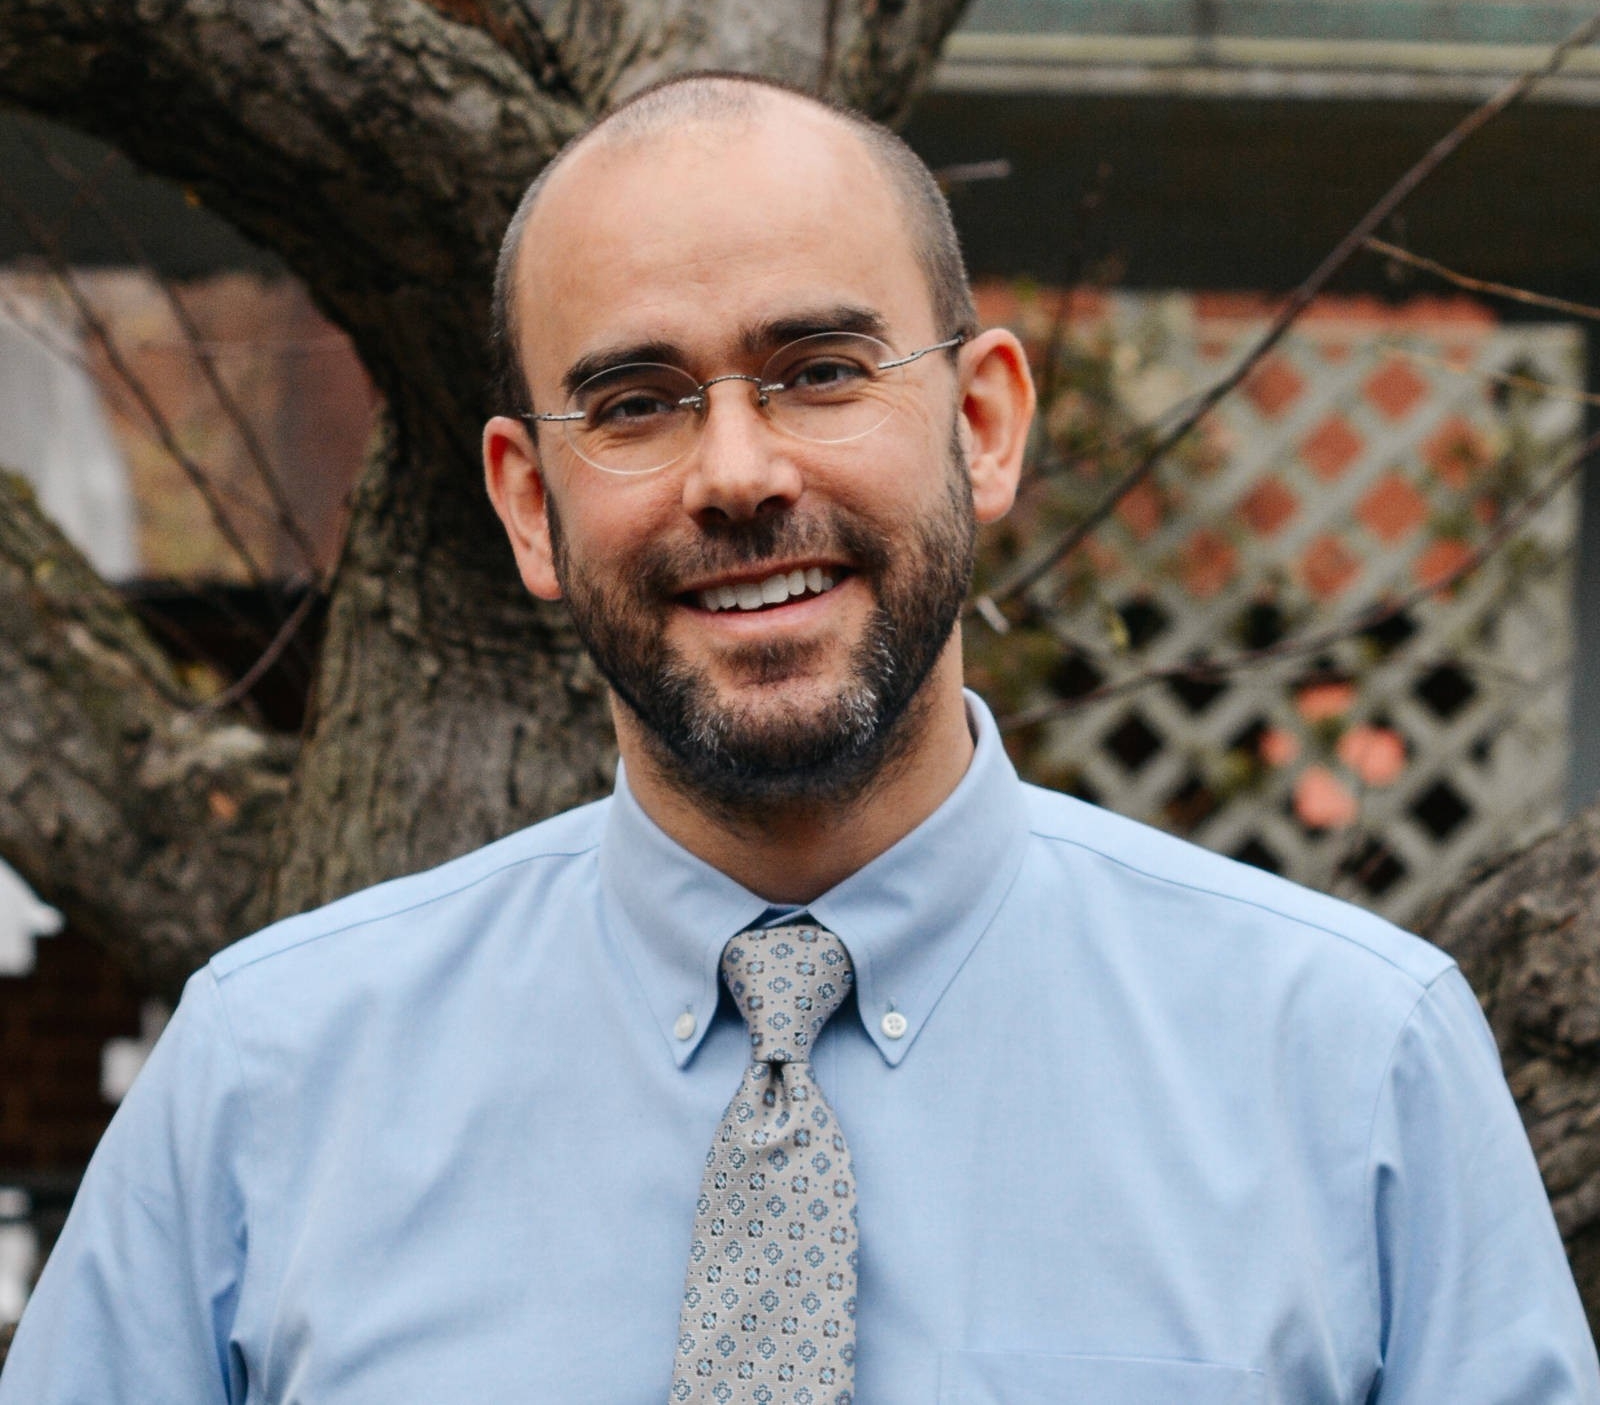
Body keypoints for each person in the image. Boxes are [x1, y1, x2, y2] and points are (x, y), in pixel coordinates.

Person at [2, 72, 1596, 1405]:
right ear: (524, 504)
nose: (739, 472)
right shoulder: (267, 1084)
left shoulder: (1351, 1065)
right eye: (635, 401)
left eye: (820, 371)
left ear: (980, 424)